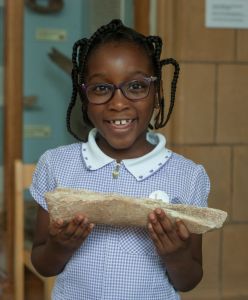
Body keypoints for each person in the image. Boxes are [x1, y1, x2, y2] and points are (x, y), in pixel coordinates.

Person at [30, 19, 210, 300]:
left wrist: (175, 256)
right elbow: (42, 263)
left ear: (157, 94)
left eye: (136, 86)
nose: (118, 103)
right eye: (101, 88)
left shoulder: (188, 176)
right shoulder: (56, 165)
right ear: (84, 96)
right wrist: (59, 247)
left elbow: (189, 280)